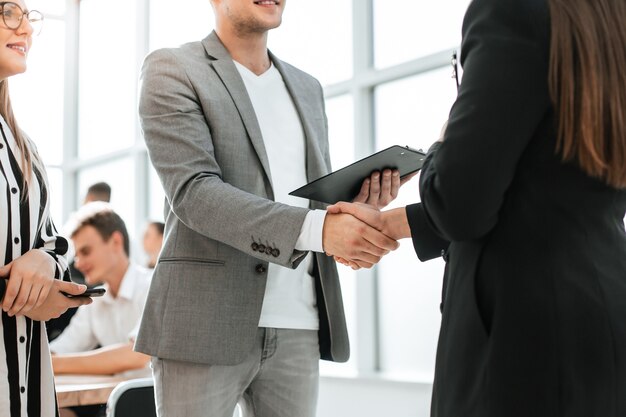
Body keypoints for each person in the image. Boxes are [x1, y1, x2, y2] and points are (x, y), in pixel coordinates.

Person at [329, 0, 626, 415]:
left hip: (520, 332)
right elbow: (543, 186)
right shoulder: (608, 18)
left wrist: (441, 146)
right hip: (602, 319)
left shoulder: (510, 10)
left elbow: (461, 204)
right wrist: (391, 225)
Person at [135, 1, 406, 416]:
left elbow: (308, 203)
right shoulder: (173, 68)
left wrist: (353, 209)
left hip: (300, 319)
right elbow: (194, 192)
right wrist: (319, 230)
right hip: (204, 321)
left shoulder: (307, 86)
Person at [0, 2, 92, 415]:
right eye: (7, 12)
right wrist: (16, 293)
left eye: (28, 17)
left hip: (27, 389)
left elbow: (54, 243)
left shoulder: (26, 149)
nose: (26, 30)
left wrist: (45, 264)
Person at [50, 203, 152, 416]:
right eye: (77, 255)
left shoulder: (152, 286)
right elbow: (62, 348)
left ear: (115, 241)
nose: (78, 263)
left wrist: (53, 364)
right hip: (114, 402)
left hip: (151, 403)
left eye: (86, 251)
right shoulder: (95, 301)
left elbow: (137, 354)